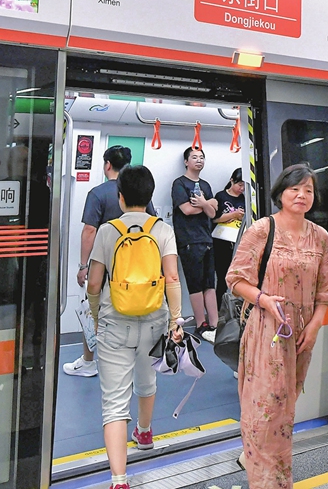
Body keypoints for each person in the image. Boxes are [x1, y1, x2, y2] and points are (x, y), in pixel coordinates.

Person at [226, 164, 328, 489]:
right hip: (265, 331)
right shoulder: (262, 230)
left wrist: (315, 326)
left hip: (300, 336)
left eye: (308, 190)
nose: (302, 195)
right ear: (281, 193)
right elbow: (235, 279)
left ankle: (260, 462)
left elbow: (326, 291)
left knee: (283, 415)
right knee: (264, 413)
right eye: (295, 189)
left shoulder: (321, 237)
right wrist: (263, 300)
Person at [86, 165, 185, 489]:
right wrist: (175, 321)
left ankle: (119, 480)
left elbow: (95, 283)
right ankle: (144, 432)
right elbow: (172, 278)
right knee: (147, 379)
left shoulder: (107, 231)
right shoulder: (163, 229)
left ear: (120, 196)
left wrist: (97, 316)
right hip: (154, 318)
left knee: (114, 402)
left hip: (116, 320)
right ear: (150, 195)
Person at [66, 145, 157, 377]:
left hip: (104, 266)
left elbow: (89, 231)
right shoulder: (138, 192)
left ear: (107, 164)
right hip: (136, 267)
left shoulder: (97, 193)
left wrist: (83, 266)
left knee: (93, 312)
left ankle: (89, 361)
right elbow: (152, 224)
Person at [171, 147, 218, 342]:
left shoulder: (205, 185)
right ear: (186, 162)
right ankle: (201, 324)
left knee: (210, 283)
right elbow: (187, 210)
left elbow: (214, 212)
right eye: (194, 157)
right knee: (195, 285)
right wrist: (207, 204)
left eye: (202, 157)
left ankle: (215, 324)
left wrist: (204, 204)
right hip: (189, 241)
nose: (199, 160)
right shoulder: (179, 184)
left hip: (207, 239)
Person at [212, 168, 246, 308]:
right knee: (222, 278)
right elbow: (214, 219)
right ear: (231, 180)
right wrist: (234, 215)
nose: (241, 188)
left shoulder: (245, 198)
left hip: (239, 241)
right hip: (221, 243)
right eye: (239, 185)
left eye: (244, 186)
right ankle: (219, 309)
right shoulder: (220, 196)